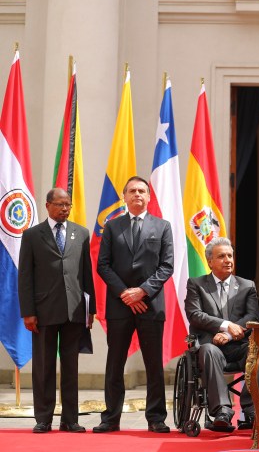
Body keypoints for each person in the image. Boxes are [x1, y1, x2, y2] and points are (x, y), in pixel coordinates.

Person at [94, 176, 174, 433]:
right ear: (125, 197)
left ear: (148, 196)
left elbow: (167, 266)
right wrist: (125, 294)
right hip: (119, 306)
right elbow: (103, 265)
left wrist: (142, 292)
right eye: (132, 191)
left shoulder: (162, 226)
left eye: (141, 191)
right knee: (115, 363)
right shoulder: (112, 226)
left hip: (150, 304)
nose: (137, 194)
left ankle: (156, 418)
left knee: (153, 365)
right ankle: (110, 418)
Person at [18, 188, 95, 433]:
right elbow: (25, 276)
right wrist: (28, 312)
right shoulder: (32, 235)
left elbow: (86, 273)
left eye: (68, 205)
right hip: (43, 311)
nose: (64, 209)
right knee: (44, 367)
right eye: (60, 204)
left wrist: (90, 309)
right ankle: (44, 418)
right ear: (48, 205)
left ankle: (70, 419)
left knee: (71, 367)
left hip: (74, 310)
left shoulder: (81, 233)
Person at [185, 237, 259, 430]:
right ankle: (222, 411)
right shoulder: (196, 284)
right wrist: (225, 325)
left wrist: (228, 334)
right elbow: (195, 315)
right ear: (210, 261)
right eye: (221, 256)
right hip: (210, 346)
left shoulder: (247, 285)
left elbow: (252, 316)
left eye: (230, 256)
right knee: (209, 351)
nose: (228, 260)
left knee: (258, 351)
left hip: (239, 345)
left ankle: (251, 409)